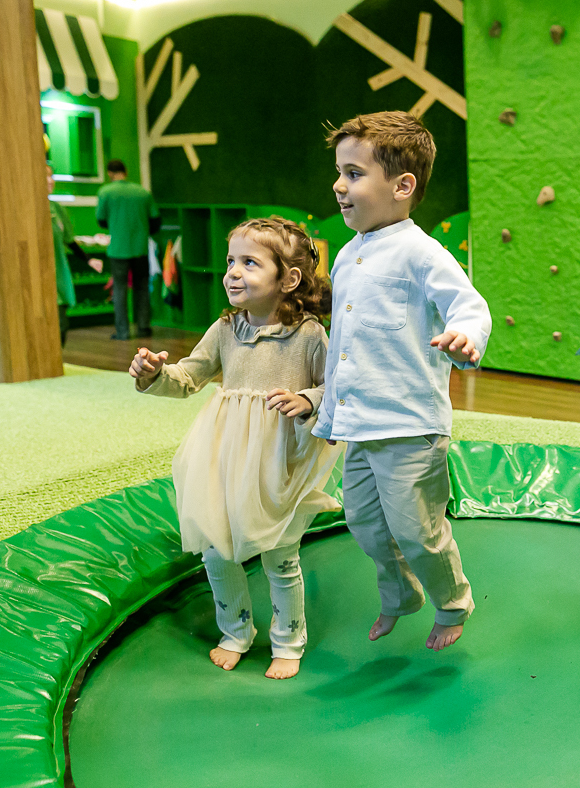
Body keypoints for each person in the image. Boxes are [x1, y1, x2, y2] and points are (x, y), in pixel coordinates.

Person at [129, 217, 342, 680]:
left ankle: (288, 640)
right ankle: (236, 630)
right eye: (230, 261)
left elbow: (338, 389)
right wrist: (152, 375)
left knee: (279, 555)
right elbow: (188, 377)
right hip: (225, 455)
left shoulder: (308, 335)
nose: (233, 272)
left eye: (249, 262)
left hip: (278, 462)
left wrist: (307, 398)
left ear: (288, 279)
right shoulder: (227, 329)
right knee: (216, 549)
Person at [312, 111, 490, 652]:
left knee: (417, 531)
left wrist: (464, 337)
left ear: (402, 185)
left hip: (411, 424)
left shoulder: (420, 251)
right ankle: (400, 596)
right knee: (365, 524)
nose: (339, 186)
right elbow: (345, 341)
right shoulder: (346, 254)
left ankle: (453, 600)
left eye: (353, 173)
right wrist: (327, 411)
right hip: (362, 424)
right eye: (339, 172)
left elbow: (469, 306)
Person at [97, 159, 159, 340]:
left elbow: (101, 220)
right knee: (142, 287)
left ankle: (122, 331)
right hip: (140, 248)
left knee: (120, 289)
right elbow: (155, 221)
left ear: (109, 173)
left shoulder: (105, 192)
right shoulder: (142, 192)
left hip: (118, 249)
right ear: (126, 171)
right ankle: (144, 327)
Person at [46, 165, 103, 345]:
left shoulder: (57, 209)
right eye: (45, 177)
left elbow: (69, 240)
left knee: (61, 324)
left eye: (51, 176)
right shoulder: (27, 208)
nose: (50, 181)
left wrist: (89, 260)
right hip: (37, 277)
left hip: (58, 275)